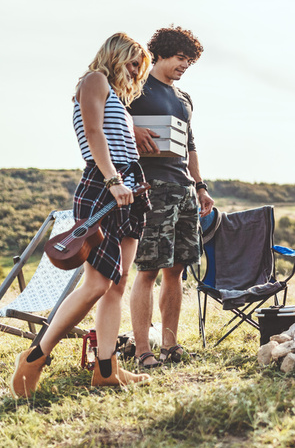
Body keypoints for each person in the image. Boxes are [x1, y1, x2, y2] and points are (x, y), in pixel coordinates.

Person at [11, 33, 152, 398]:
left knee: (117, 285)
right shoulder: (94, 80)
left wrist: (127, 181)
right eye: (132, 63)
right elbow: (93, 133)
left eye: (140, 67)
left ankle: (107, 369)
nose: (136, 72)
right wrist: (113, 180)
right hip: (106, 185)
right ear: (114, 56)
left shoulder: (118, 97)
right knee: (96, 284)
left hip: (131, 188)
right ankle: (35, 356)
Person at [128, 26, 214, 369]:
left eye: (189, 61)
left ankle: (170, 344)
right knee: (148, 269)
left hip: (183, 190)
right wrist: (133, 130)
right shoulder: (135, 85)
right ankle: (141, 350)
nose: (185, 66)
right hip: (150, 188)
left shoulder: (184, 98)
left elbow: (191, 146)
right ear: (161, 54)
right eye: (181, 58)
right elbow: (106, 118)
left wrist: (201, 186)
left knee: (177, 270)